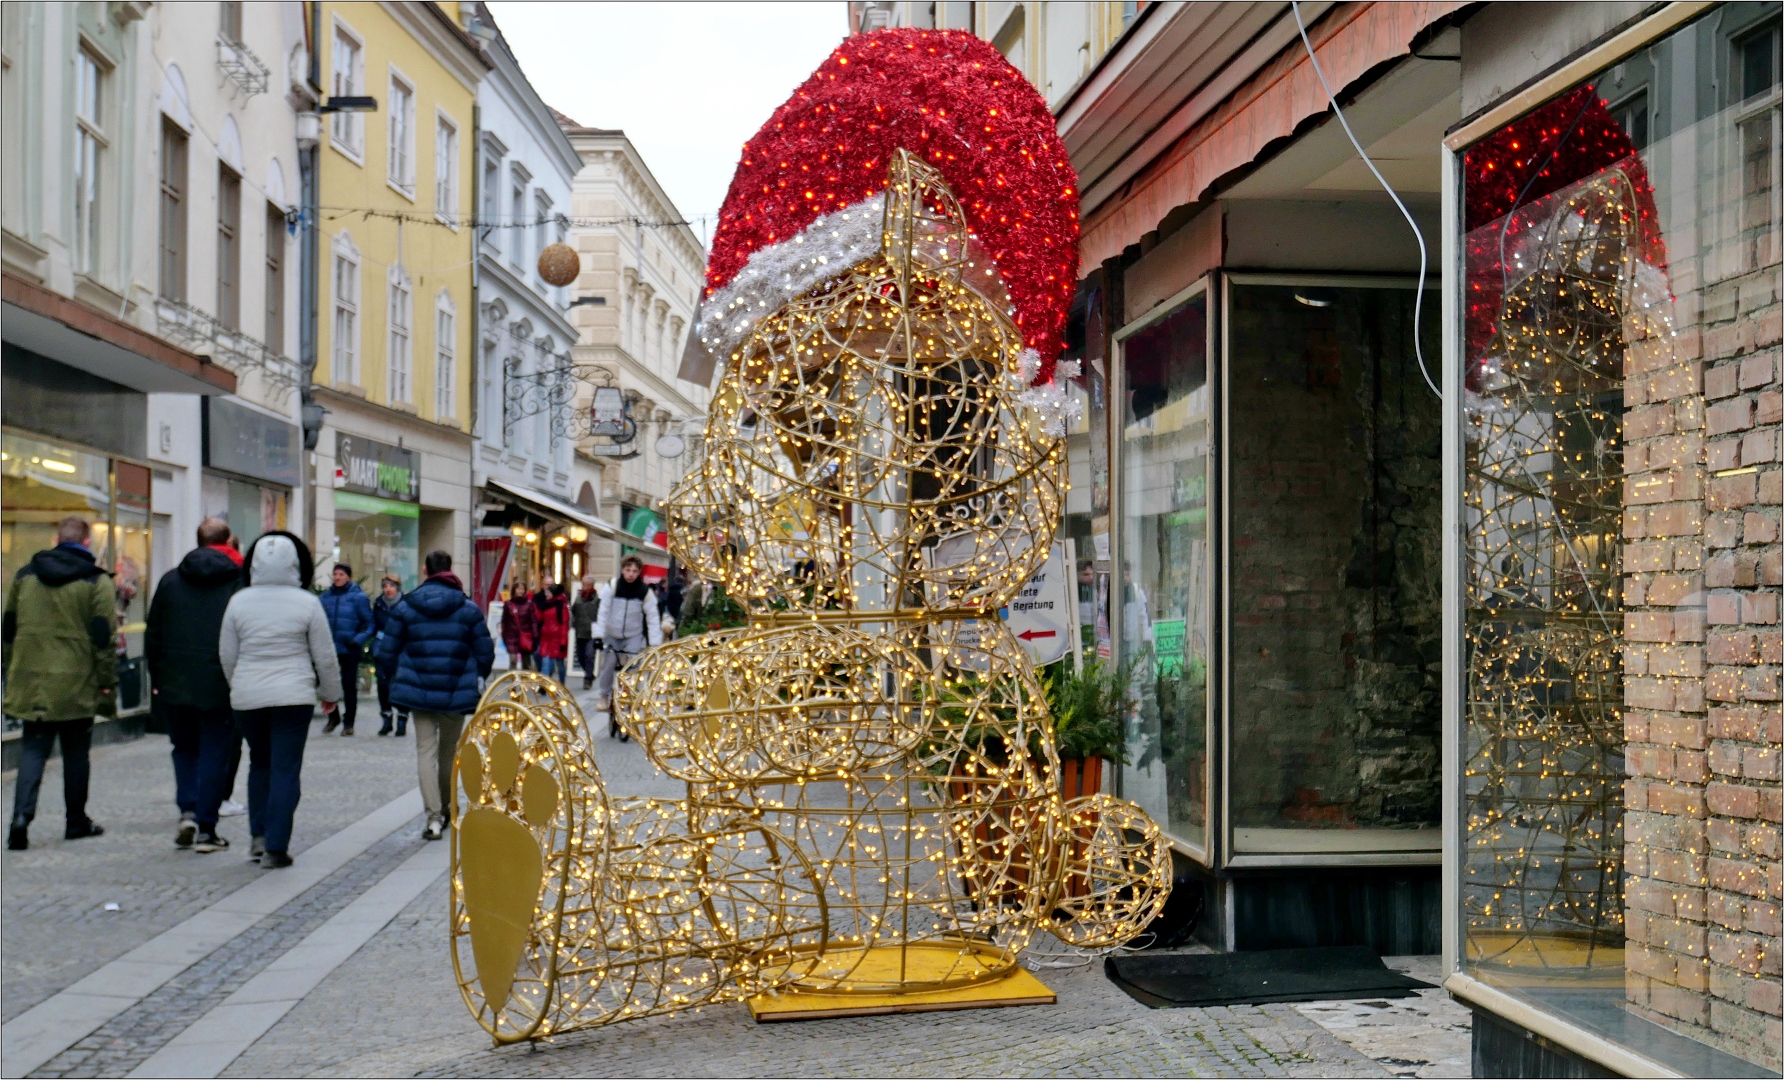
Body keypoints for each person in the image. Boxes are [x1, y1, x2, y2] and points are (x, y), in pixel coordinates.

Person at [219, 531, 342, 868]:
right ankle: (276, 846)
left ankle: (257, 835)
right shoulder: (307, 603)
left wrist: (238, 686)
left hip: (248, 697)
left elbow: (227, 655)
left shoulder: (238, 602)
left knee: (259, 763)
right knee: (286, 769)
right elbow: (325, 656)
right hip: (293, 696)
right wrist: (331, 696)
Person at [4, 516, 115, 850]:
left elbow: (8, 627)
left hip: (32, 679)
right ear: (85, 542)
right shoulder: (96, 582)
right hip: (76, 681)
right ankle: (76, 821)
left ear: (56, 538)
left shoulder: (25, 576)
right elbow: (103, 639)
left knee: (33, 749)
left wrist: (13, 669)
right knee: (77, 753)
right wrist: (106, 682)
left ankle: (20, 819)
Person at [375, 550, 494, 841]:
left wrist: (392, 677)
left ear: (426, 570)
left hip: (418, 691)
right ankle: (449, 807)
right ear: (450, 570)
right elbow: (485, 651)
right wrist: (477, 673)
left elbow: (386, 651)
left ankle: (433, 817)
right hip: (456, 691)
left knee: (425, 752)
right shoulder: (467, 608)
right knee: (450, 753)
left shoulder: (406, 607)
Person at [144, 517, 243, 852]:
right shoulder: (237, 581)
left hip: (176, 680)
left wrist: (157, 679)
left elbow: (153, 633)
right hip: (220, 681)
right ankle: (206, 828)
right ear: (228, 541)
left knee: (184, 748)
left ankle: (187, 809)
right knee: (216, 752)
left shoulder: (171, 580)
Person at [595, 555, 662, 716]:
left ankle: (629, 695)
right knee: (609, 664)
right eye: (628, 570)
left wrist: (654, 644)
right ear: (622, 570)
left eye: (634, 571)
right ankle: (604, 696)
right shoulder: (612, 586)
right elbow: (602, 611)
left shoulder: (645, 592)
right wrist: (598, 636)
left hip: (633, 634)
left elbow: (653, 618)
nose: (631, 574)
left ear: (639, 572)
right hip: (612, 633)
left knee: (633, 667)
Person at [318, 563, 373, 734]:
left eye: (341, 574)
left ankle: (349, 723)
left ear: (348, 577)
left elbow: (369, 624)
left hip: (349, 648)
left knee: (349, 686)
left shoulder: (358, 598)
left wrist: (357, 640)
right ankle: (333, 717)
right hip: (329, 649)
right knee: (326, 685)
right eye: (335, 574)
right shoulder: (325, 598)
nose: (337, 577)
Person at [371, 576, 409, 737]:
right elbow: (373, 625)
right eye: (385, 586)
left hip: (401, 648)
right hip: (382, 648)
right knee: (383, 684)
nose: (388, 589)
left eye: (391, 586)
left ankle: (402, 720)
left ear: (398, 588)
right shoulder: (379, 604)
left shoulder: (406, 604)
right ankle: (386, 719)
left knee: (401, 684)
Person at [533, 577, 569, 684]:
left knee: (560, 664)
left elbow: (564, 624)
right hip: (546, 638)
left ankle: (561, 684)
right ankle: (544, 685)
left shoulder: (561, 606)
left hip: (557, 639)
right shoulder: (545, 604)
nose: (546, 594)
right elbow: (539, 618)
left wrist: (563, 641)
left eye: (548, 592)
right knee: (546, 662)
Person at [499, 584, 538, 671]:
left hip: (525, 636)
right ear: (514, 590)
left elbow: (533, 621)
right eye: (518, 589)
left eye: (522, 589)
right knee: (513, 660)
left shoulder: (529, 604)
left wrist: (535, 636)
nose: (521, 591)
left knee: (526, 662)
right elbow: (504, 621)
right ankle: (513, 681)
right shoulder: (508, 604)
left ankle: (524, 682)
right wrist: (504, 634)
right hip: (511, 636)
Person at [571, 576, 601, 690]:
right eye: (583, 584)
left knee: (589, 655)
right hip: (580, 631)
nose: (584, 587)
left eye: (586, 585)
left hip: (592, 633)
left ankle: (588, 679)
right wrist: (573, 623)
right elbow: (573, 611)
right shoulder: (578, 597)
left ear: (591, 586)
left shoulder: (597, 599)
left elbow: (601, 614)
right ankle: (589, 673)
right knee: (580, 656)